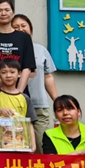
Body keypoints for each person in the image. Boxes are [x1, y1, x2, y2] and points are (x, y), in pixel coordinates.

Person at [12, 14, 58, 149]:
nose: (20, 29)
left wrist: (57, 100)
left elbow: (48, 76)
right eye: (15, 27)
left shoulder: (40, 50)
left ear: (31, 29)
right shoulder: (8, 50)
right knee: (15, 145)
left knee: (41, 146)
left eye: (23, 26)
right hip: (14, 106)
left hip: (38, 106)